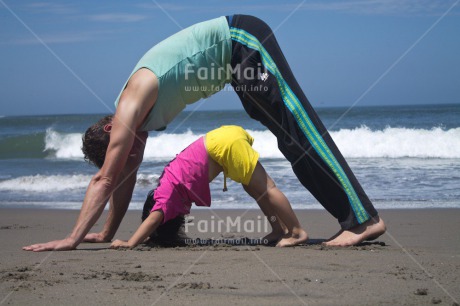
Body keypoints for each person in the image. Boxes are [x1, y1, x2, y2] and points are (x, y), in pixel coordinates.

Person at [23, 14, 384, 252]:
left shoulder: (130, 105)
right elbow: (122, 177)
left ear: (109, 128)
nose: (130, 155)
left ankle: (363, 220)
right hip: (234, 66)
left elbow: (106, 178)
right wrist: (105, 231)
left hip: (243, 44)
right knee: (291, 141)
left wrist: (71, 239)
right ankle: (349, 220)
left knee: (299, 128)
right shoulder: (136, 120)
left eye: (122, 149)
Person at [108, 125, 308, 249]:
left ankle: (297, 231)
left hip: (224, 144)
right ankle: (278, 229)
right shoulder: (167, 184)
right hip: (222, 138)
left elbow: (154, 218)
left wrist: (131, 242)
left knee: (267, 188)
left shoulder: (165, 197)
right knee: (254, 189)